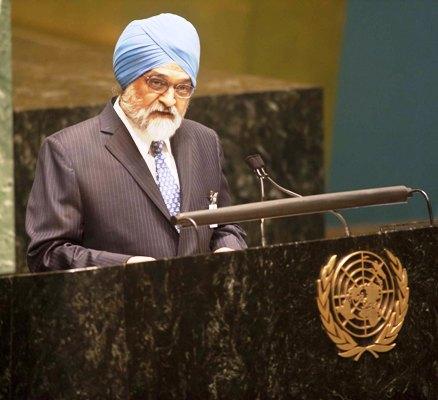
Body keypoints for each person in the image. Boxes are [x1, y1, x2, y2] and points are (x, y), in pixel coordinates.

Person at [26, 13, 247, 272]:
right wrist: (125, 267)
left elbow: (225, 224)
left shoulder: (204, 141)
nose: (169, 99)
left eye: (182, 88)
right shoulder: (68, 151)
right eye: (157, 82)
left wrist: (228, 248)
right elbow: (47, 253)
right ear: (128, 80)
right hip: (123, 306)